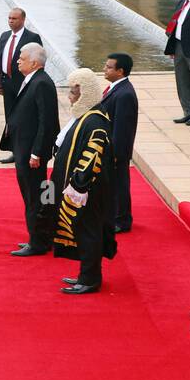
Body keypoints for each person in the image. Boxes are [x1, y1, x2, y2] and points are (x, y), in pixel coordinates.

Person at [52, 68, 117, 295]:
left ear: (85, 94)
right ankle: (85, 274)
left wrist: (79, 185)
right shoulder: (86, 117)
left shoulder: (95, 121)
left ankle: (90, 279)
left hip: (88, 191)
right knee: (83, 232)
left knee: (89, 232)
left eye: (73, 93)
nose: (70, 97)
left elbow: (93, 156)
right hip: (80, 189)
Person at [5, 43, 59, 258]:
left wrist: (37, 152)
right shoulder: (32, 80)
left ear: (35, 63)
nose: (18, 60)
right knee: (30, 196)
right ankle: (37, 236)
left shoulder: (42, 83)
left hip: (31, 155)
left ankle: (38, 242)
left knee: (36, 197)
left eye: (22, 58)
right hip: (23, 150)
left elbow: (47, 122)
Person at [0, 8, 43, 163]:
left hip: (23, 84)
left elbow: (39, 61)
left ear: (23, 20)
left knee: (25, 117)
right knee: (10, 117)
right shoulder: (4, 36)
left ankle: (28, 150)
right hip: (7, 83)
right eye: (9, 18)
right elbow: (0, 59)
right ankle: (14, 151)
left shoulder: (32, 37)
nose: (11, 21)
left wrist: (32, 83)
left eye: (14, 18)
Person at [100, 53, 137, 234]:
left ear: (120, 71)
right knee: (112, 184)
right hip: (110, 148)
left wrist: (115, 153)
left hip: (117, 151)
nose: (104, 69)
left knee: (119, 184)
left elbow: (122, 127)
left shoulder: (124, 94)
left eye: (108, 67)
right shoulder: (115, 88)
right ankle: (113, 215)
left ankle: (122, 220)